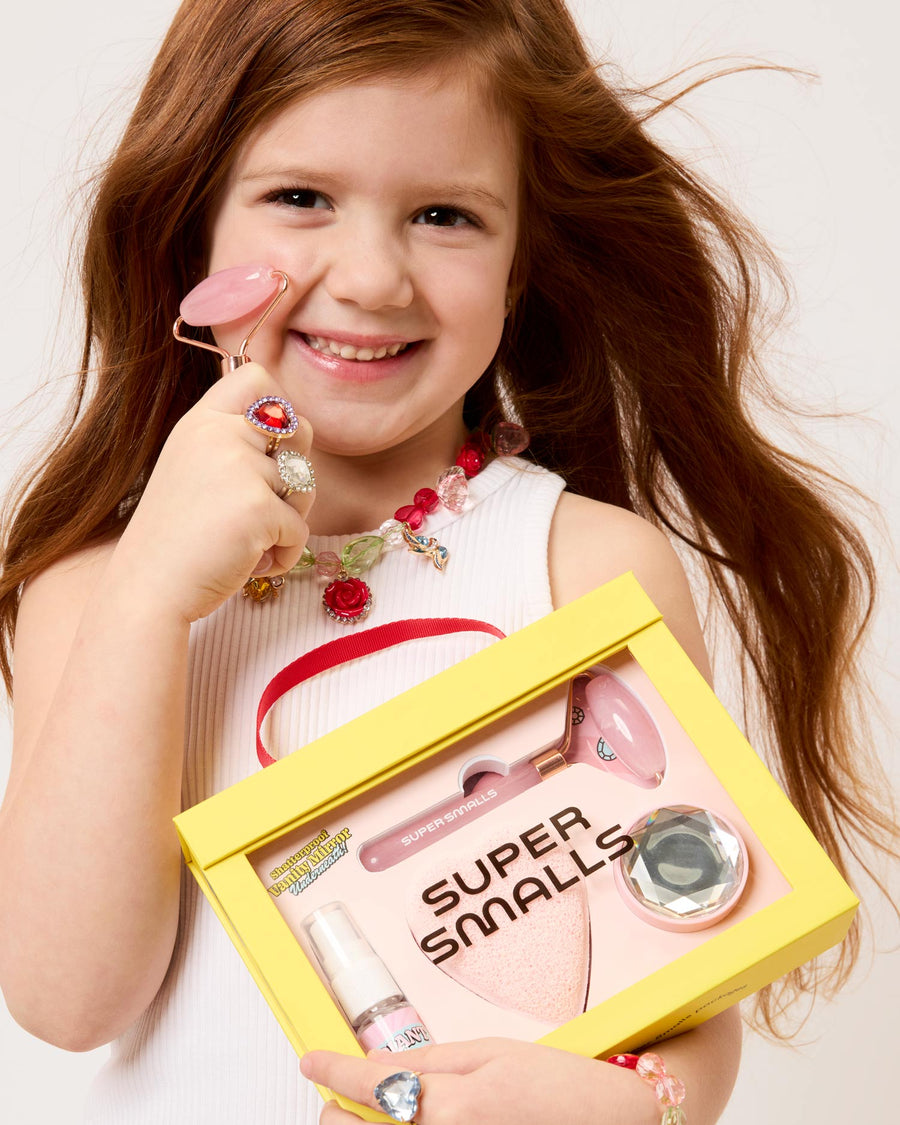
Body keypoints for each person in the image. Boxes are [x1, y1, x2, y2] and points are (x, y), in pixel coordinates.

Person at [0, 0, 892, 1122]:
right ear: (194, 235)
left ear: (521, 266)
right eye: (300, 198)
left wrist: (642, 1108)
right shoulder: (90, 591)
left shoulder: (588, 564)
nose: (372, 277)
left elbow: (687, 957)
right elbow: (69, 1001)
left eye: (443, 214)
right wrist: (146, 602)